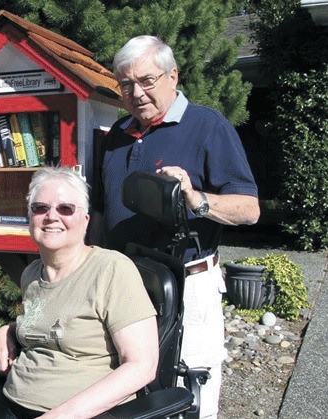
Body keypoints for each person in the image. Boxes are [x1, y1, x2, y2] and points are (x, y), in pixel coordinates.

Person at [91, 35, 260, 418]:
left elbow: (249, 209)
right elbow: (100, 214)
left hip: (188, 283)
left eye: (147, 80)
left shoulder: (207, 125)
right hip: (125, 283)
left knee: (189, 387)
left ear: (173, 76)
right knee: (131, 384)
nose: (136, 93)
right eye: (126, 84)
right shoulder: (117, 135)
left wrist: (194, 197)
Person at [0, 167, 159, 418]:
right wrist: (8, 330)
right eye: (40, 208)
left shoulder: (111, 270)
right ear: (30, 217)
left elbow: (142, 366)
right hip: (13, 401)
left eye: (65, 209)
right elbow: (49, 325)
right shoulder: (32, 274)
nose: (51, 217)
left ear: (85, 221)